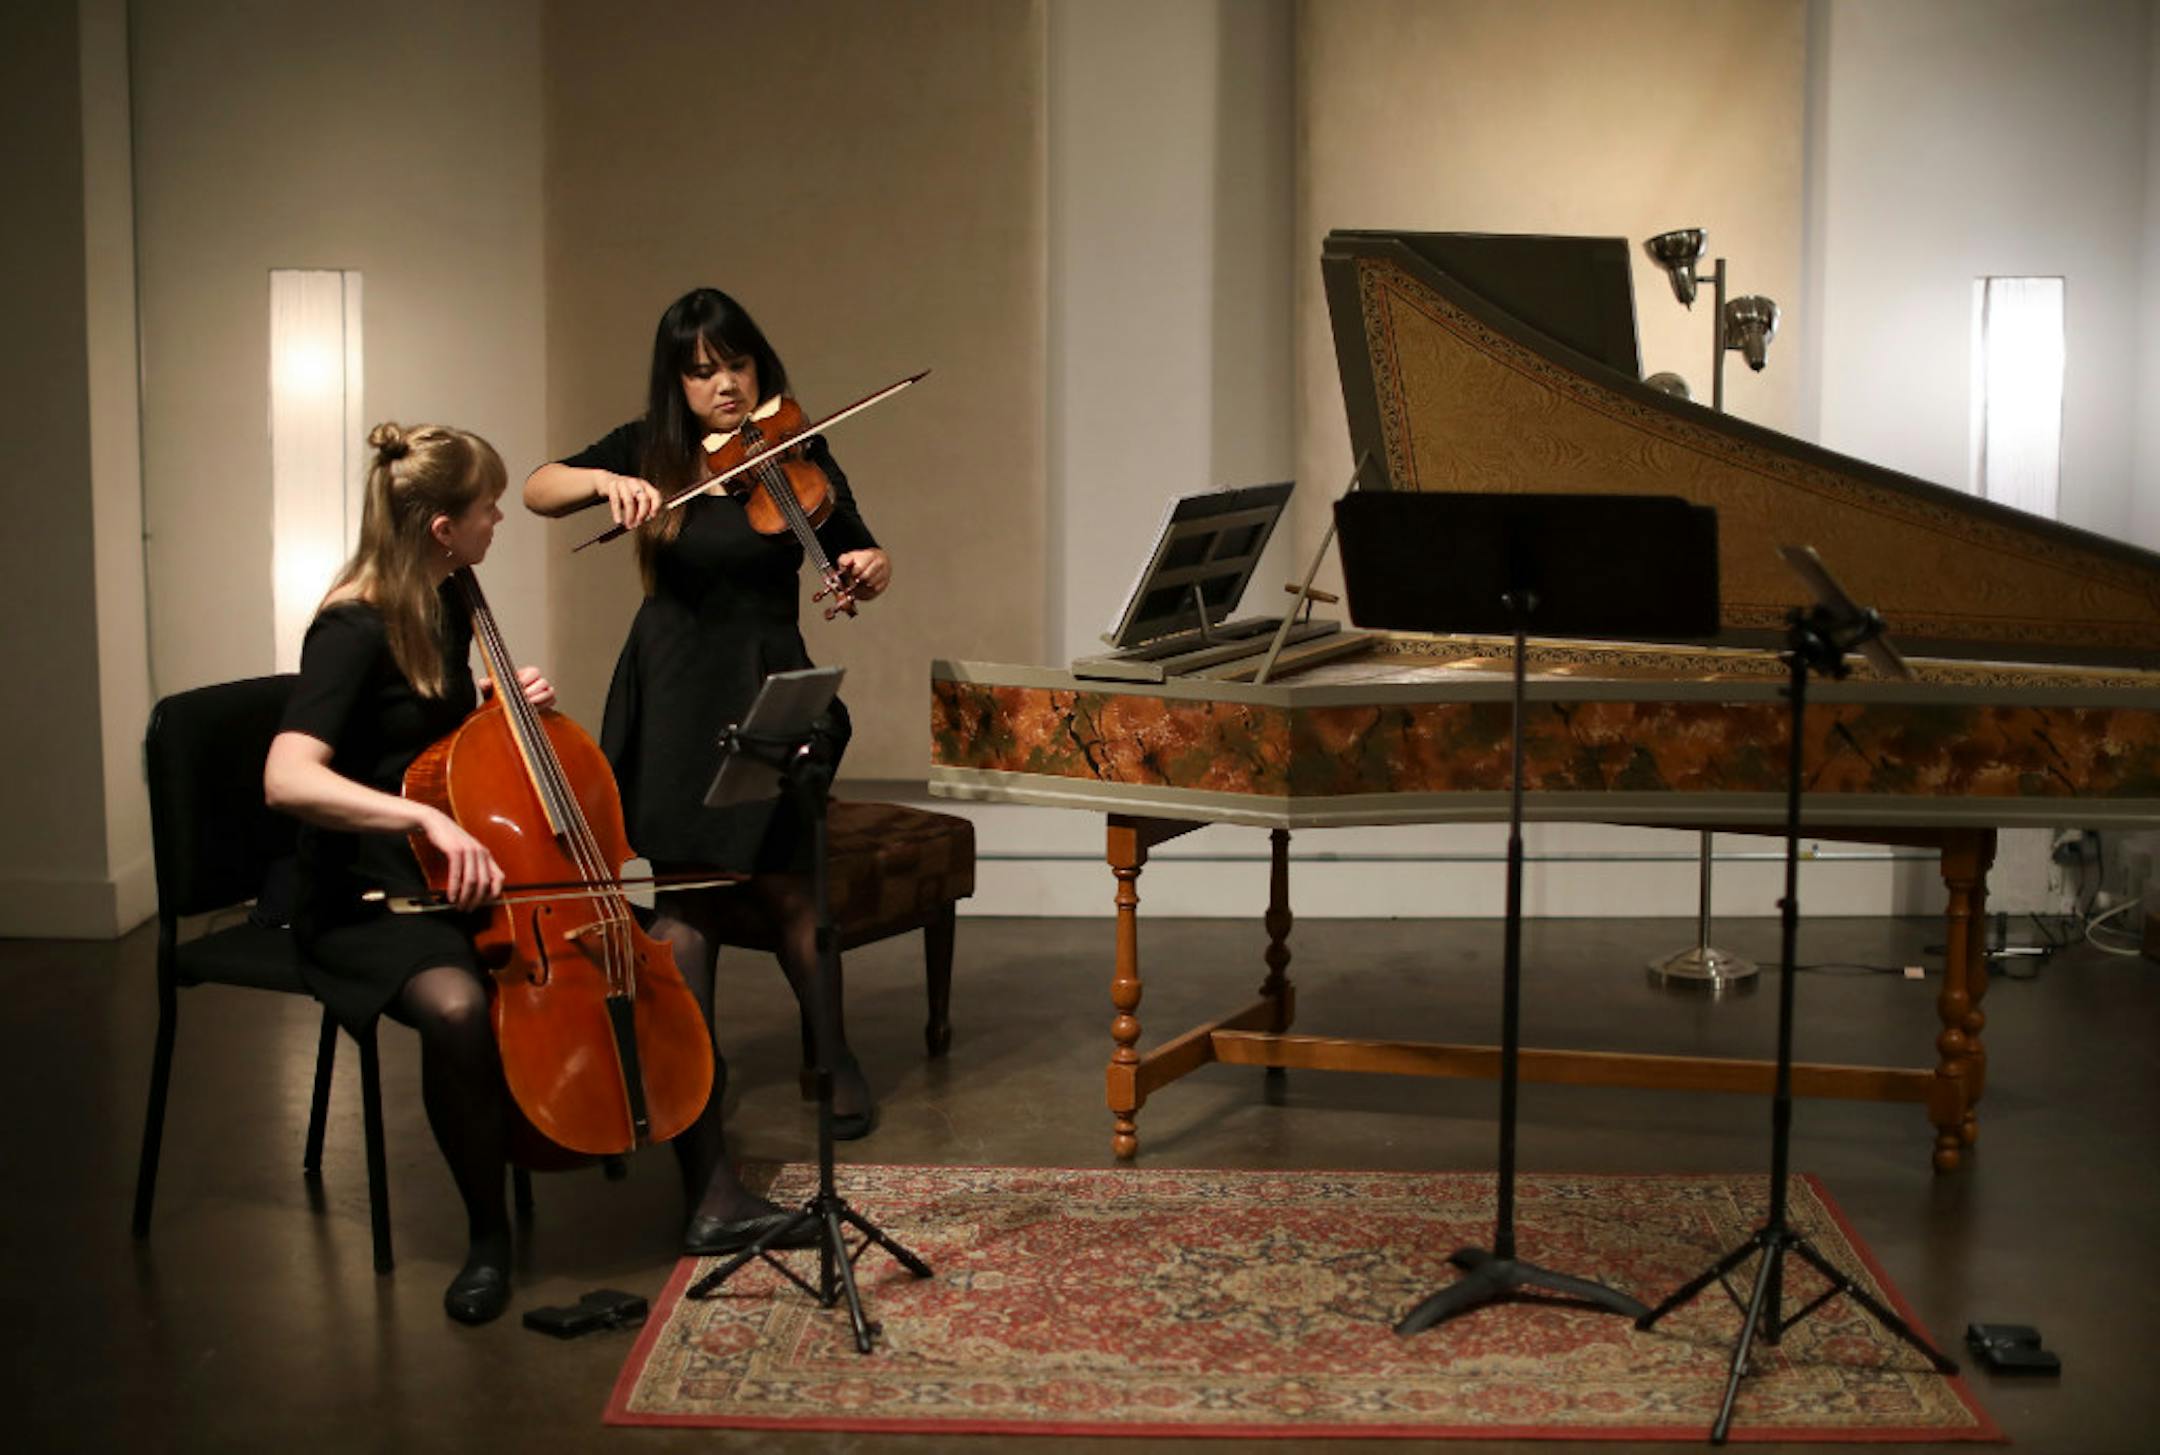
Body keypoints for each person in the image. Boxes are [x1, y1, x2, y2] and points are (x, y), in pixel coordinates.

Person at [263, 421, 801, 1327]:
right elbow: (288, 775)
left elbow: (415, 737)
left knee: (654, 958)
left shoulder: (444, 596)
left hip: (463, 875)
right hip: (367, 892)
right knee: (458, 1007)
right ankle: (486, 1240)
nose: (500, 517)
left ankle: (715, 1197)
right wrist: (423, 812)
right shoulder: (352, 625)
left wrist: (490, 708)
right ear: (442, 526)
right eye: (486, 507)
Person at [524, 287, 890, 1152]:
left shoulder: (797, 444)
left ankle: (832, 1054)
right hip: (677, 687)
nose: (724, 385)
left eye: (736, 363)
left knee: (792, 881)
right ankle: (692, 1073)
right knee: (686, 894)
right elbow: (540, 488)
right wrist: (609, 480)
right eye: (701, 372)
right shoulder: (649, 449)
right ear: (676, 383)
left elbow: (854, 550)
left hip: (770, 678)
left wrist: (868, 568)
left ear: (758, 363)